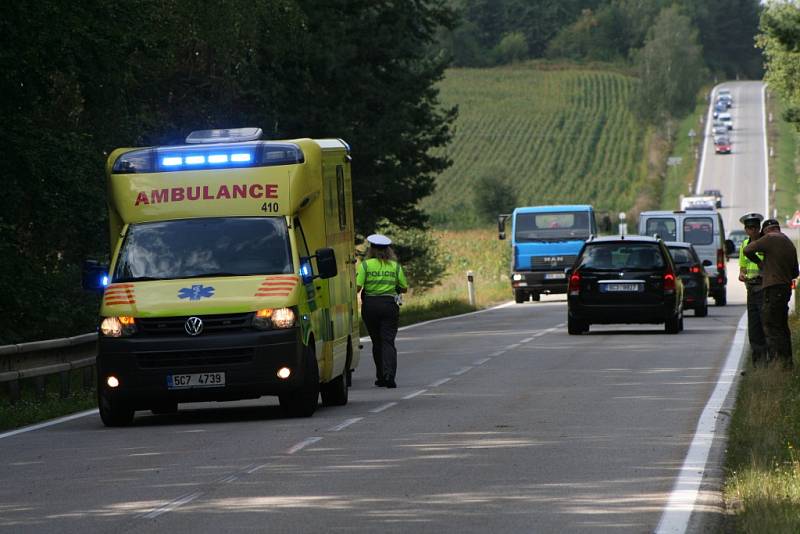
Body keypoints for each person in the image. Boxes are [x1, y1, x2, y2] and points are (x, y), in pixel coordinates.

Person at [743, 218, 799, 369]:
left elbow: (747, 250)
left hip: (773, 288)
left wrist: (761, 264)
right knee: (782, 326)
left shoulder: (769, 238)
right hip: (785, 289)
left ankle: (777, 363)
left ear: (766, 231)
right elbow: (795, 272)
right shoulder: (788, 242)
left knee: (771, 325)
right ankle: (787, 363)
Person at [356, 234, 408, 388]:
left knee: (377, 342)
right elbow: (404, 288)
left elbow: (358, 288)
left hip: (370, 306)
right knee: (388, 341)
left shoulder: (366, 265)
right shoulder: (395, 266)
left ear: (371, 249)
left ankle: (380, 376)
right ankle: (389, 376)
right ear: (388, 250)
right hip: (389, 306)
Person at [737, 212, 767, 366]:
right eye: (749, 228)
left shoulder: (766, 243)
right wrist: (742, 275)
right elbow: (742, 268)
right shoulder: (744, 245)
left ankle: (769, 360)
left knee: (765, 324)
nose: (752, 230)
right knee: (754, 327)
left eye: (755, 227)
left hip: (764, 287)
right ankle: (758, 363)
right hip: (751, 288)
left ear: (759, 228)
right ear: (746, 229)